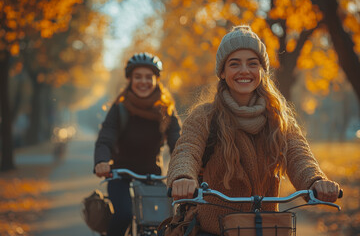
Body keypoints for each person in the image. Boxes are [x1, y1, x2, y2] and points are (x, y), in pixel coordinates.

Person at [166, 25, 340, 235]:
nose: (244, 71)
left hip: (264, 227)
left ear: (261, 70)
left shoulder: (278, 117)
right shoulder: (205, 116)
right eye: (234, 64)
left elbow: (299, 154)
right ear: (222, 71)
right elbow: (187, 149)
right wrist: (183, 177)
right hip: (214, 229)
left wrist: (316, 181)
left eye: (252, 63)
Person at [94, 52, 181, 236]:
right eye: (138, 77)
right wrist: (102, 161)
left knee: (164, 223)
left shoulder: (165, 110)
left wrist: (185, 166)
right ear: (130, 80)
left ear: (156, 80)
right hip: (120, 175)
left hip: (153, 177)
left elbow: (178, 141)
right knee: (124, 215)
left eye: (149, 77)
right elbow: (105, 138)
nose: (144, 82)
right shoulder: (120, 109)